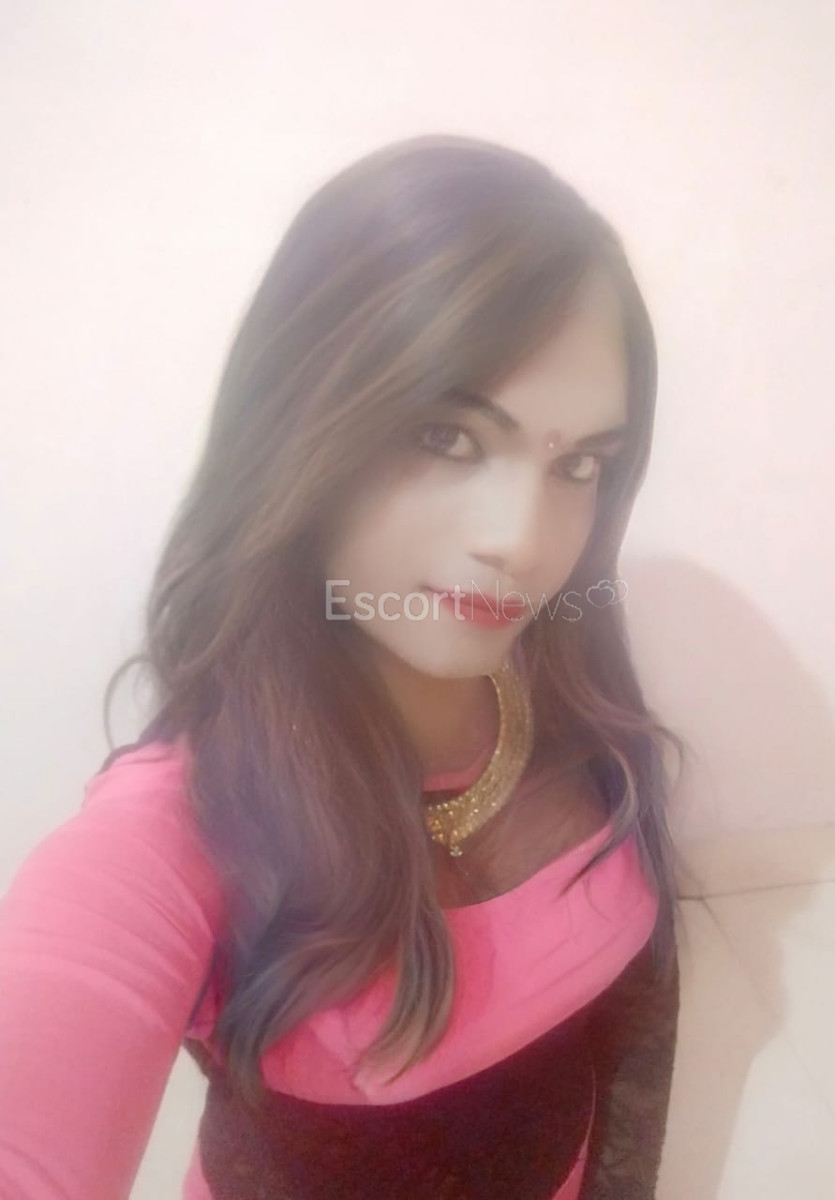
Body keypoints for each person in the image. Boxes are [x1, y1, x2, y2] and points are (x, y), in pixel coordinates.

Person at [0, 133, 686, 1199]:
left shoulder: (568, 688)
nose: (523, 539)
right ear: (299, 426)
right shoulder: (185, 824)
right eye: (448, 436)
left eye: (581, 464)